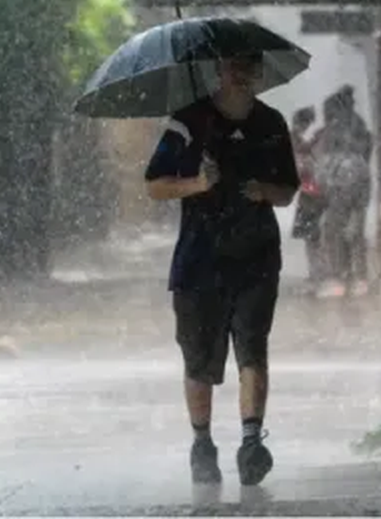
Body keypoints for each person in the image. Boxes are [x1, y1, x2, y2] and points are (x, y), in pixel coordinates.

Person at [144, 54, 300, 494]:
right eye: (234, 66)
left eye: (249, 67)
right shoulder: (188, 122)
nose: (243, 75)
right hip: (199, 262)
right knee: (199, 358)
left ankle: (252, 442)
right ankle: (202, 443)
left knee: (253, 348)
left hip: (256, 259)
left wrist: (263, 191)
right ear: (219, 72)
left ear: (259, 73)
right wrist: (196, 183)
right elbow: (154, 184)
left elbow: (289, 191)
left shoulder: (271, 124)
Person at [313, 86, 374, 298]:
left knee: (334, 231)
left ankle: (339, 278)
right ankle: (359, 277)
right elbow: (367, 150)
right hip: (360, 182)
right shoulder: (359, 125)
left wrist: (322, 184)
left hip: (341, 184)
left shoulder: (335, 129)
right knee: (355, 231)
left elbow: (323, 161)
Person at [288, 106, 326, 286]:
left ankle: (316, 273)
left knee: (312, 237)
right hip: (311, 193)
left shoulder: (298, 140)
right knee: (313, 237)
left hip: (309, 193)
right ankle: (317, 274)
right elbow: (300, 164)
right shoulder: (294, 139)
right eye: (307, 122)